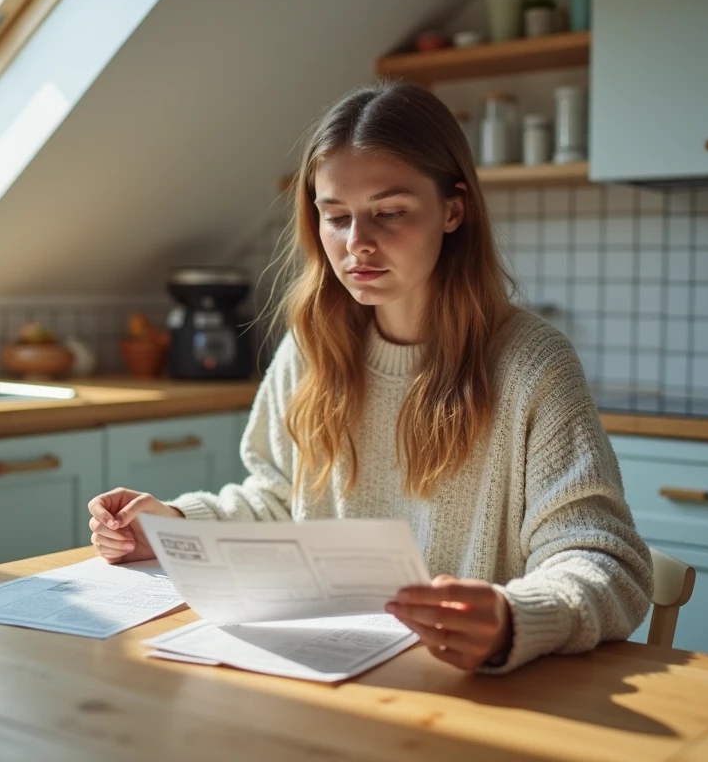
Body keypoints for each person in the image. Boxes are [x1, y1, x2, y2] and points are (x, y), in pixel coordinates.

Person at [88, 81, 653, 673]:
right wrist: (174, 527)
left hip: (472, 695)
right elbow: (282, 502)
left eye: (390, 213)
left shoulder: (532, 365)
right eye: (336, 217)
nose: (358, 244)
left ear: (453, 210)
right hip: (327, 679)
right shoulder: (311, 348)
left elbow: (606, 563)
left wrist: (515, 616)